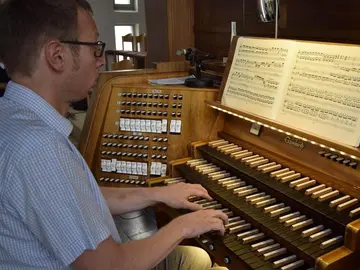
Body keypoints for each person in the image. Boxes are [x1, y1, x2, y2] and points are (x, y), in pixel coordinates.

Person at [0, 0, 229, 269]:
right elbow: (109, 266)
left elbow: (82, 199)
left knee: (197, 259)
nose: (100, 61)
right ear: (56, 55)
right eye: (95, 47)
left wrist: (156, 194)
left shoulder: (13, 117)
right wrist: (182, 226)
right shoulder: (40, 148)